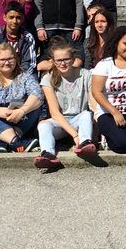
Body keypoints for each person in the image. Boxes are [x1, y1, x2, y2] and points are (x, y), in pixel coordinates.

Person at [33, 39, 98, 170]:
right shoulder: (48, 79)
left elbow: (93, 104)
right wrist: (74, 135)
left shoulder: (86, 75)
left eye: (66, 59)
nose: (62, 63)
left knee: (86, 114)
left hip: (80, 120)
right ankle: (48, 154)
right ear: (53, 61)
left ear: (73, 59)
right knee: (43, 125)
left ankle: (85, 143)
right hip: (61, 122)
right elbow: (55, 113)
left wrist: (98, 122)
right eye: (59, 60)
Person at [0, 2, 38, 75]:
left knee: (33, 79)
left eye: (18, 18)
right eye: (11, 17)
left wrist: (19, 76)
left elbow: (30, 63)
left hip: (21, 73)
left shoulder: (28, 37)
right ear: (5, 18)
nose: (14, 21)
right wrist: (2, 76)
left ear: (22, 19)